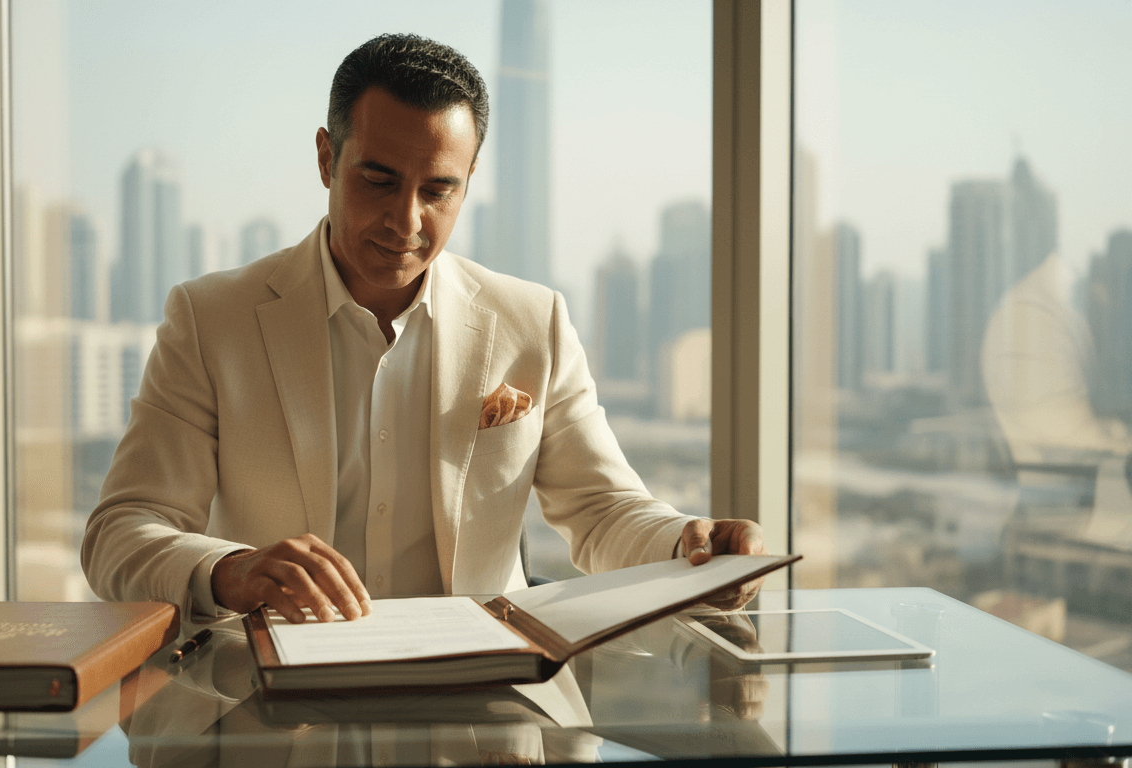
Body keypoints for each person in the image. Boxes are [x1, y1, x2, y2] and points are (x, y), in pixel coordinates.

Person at [80, 33, 766, 626]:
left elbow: (602, 511)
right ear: (327, 159)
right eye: (378, 180)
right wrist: (232, 571)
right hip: (278, 700)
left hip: (486, 697)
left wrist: (691, 549)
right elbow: (119, 534)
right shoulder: (211, 320)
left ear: (468, 181)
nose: (406, 220)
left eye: (437, 190)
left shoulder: (533, 321)